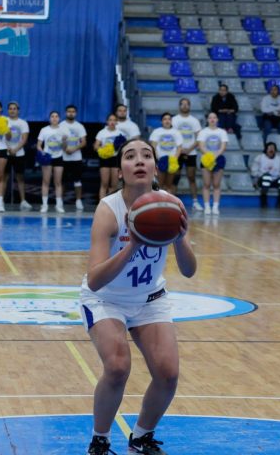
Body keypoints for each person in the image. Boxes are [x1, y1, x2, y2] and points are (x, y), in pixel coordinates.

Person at [81, 138, 196, 455]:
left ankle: (142, 438)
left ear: (155, 168)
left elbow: (189, 271)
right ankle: (100, 440)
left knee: (168, 374)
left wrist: (180, 239)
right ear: (120, 171)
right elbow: (94, 280)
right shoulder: (109, 210)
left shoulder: (171, 206)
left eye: (147, 155)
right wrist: (133, 245)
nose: (140, 160)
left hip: (149, 298)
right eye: (130, 156)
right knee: (118, 367)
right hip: (106, 299)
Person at [171, 98, 204, 211]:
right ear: (179, 106)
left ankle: (195, 202)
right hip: (177, 153)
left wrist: (189, 149)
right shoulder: (174, 120)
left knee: (191, 177)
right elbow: (171, 136)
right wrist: (180, 149)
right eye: (183, 104)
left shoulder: (194, 121)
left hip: (191, 152)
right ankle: (172, 203)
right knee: (175, 178)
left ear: (189, 106)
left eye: (187, 104)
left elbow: (199, 138)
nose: (185, 106)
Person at [197, 112, 228, 215]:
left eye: (214, 117)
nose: (212, 119)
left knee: (216, 184)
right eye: (210, 117)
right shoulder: (203, 132)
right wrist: (210, 156)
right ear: (207, 120)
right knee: (206, 184)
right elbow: (201, 146)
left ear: (217, 119)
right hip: (206, 159)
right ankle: (206, 206)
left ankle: (215, 206)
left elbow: (223, 147)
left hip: (218, 159)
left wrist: (215, 156)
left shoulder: (222, 132)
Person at [36, 110, 67, 213]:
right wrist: (42, 153)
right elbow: (39, 145)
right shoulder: (44, 130)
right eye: (52, 116)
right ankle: (44, 205)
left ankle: (59, 205)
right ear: (49, 118)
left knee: (58, 182)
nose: (54, 118)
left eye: (56, 116)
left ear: (59, 118)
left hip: (59, 157)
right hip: (47, 157)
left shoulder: (63, 130)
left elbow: (65, 147)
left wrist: (64, 141)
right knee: (46, 181)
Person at [5, 102, 33, 211]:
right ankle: (0, 201)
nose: (12, 110)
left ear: (18, 110)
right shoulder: (3, 121)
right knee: (4, 178)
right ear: (8, 110)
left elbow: (24, 139)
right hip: (6, 152)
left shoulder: (23, 123)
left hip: (19, 153)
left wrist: (15, 149)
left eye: (14, 108)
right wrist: (8, 149)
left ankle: (23, 201)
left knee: (20, 178)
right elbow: (1, 138)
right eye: (10, 108)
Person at [60, 104, 87, 211]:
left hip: (76, 158)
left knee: (77, 180)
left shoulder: (79, 126)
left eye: (73, 111)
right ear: (66, 113)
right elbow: (57, 140)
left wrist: (74, 149)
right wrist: (66, 148)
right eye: (69, 111)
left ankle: (78, 201)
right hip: (63, 157)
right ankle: (60, 202)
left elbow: (84, 142)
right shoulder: (61, 125)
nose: (71, 113)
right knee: (62, 181)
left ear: (76, 113)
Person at [149, 112, 183, 193]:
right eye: (165, 119)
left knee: (169, 185)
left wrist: (174, 160)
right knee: (160, 185)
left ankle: (168, 200)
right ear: (161, 121)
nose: (167, 121)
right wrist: (158, 159)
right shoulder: (156, 132)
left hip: (172, 161)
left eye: (169, 119)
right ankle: (159, 200)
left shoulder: (176, 132)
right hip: (160, 160)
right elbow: (153, 146)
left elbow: (179, 148)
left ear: (171, 121)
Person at [250, 141, 280, 208]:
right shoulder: (259, 158)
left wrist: (278, 176)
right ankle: (264, 202)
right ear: (266, 149)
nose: (271, 150)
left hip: (275, 180)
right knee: (267, 177)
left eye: (273, 148)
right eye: (269, 148)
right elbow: (254, 172)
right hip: (262, 180)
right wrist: (261, 176)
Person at [94, 113, 122, 200]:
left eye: (114, 120)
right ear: (107, 121)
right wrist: (104, 150)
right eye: (110, 120)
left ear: (117, 122)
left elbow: (124, 147)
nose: (112, 122)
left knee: (114, 184)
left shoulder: (120, 133)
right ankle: (101, 204)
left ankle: (112, 204)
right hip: (105, 159)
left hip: (115, 159)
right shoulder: (102, 133)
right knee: (104, 184)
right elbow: (96, 146)